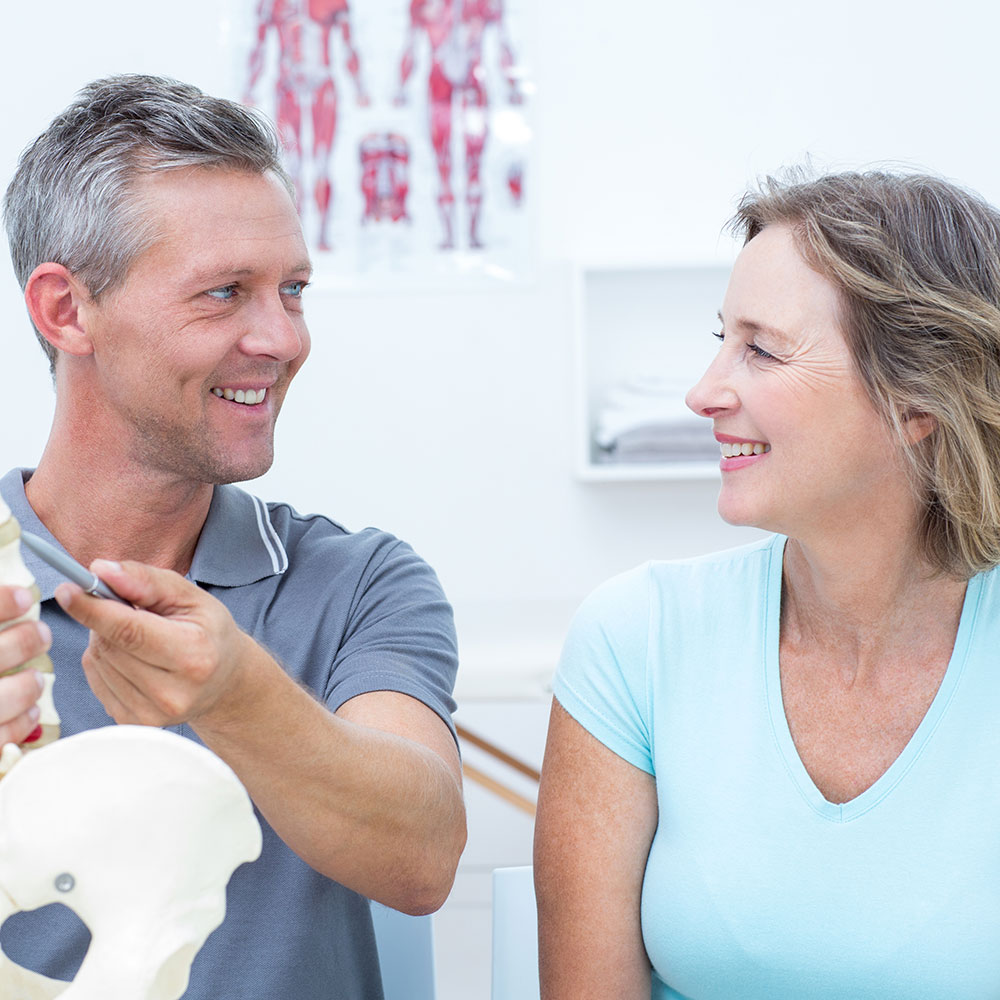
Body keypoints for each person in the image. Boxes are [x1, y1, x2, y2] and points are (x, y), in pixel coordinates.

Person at [0, 74, 465, 998]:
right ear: (66, 311)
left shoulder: (361, 582)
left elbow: (422, 857)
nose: (284, 339)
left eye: (292, 290)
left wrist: (236, 694)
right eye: (224, 293)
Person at [533, 169, 1000, 999]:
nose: (704, 392)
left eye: (760, 348)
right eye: (721, 339)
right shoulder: (636, 638)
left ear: (917, 399)